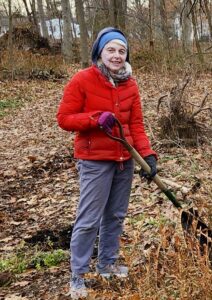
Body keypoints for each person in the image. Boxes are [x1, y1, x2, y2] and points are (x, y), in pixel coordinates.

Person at [57, 27, 157, 299]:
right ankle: (77, 275)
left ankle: (107, 264)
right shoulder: (83, 79)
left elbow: (136, 124)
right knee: (89, 220)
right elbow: (64, 118)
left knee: (115, 216)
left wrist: (148, 155)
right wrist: (94, 119)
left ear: (126, 54)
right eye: (111, 49)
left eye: (121, 50)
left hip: (124, 160)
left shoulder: (130, 83)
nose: (116, 55)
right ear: (100, 52)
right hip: (94, 161)